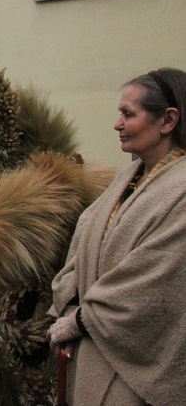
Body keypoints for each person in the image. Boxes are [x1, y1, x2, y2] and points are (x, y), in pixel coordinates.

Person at [49, 67, 186, 404]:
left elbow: (159, 279)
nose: (118, 124)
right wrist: (67, 306)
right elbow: (81, 246)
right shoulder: (127, 176)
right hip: (92, 351)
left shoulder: (181, 189)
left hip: (136, 366)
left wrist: (83, 318)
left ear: (168, 121)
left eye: (128, 114)